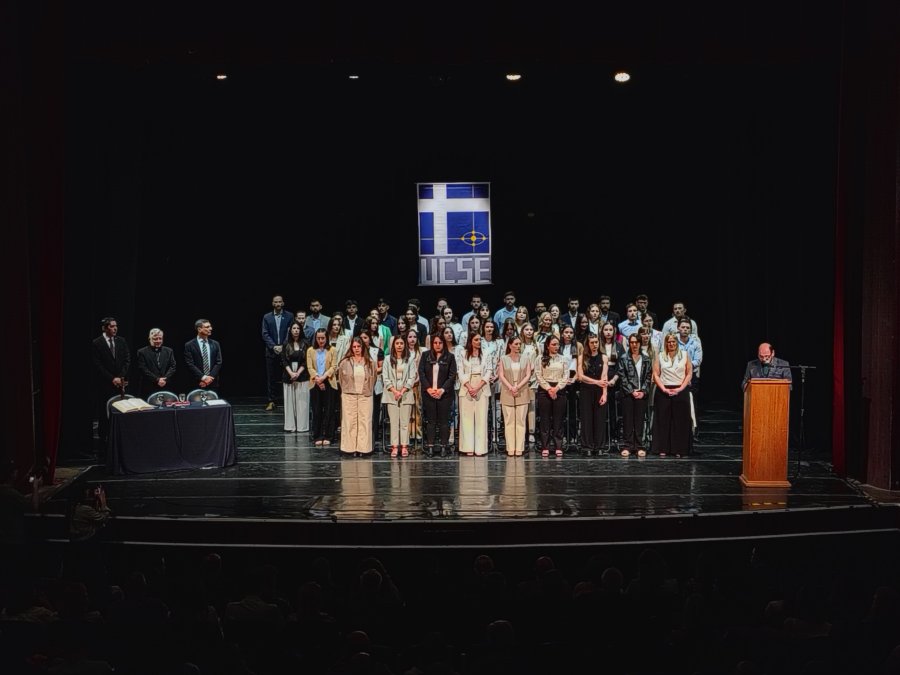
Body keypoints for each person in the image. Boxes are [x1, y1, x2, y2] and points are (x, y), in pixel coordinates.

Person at [652, 333, 693, 458]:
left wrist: (680, 388)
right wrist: (664, 389)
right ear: (666, 343)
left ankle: (679, 449)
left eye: (674, 341)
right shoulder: (660, 356)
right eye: (669, 342)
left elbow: (689, 373)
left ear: (677, 342)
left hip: (680, 390)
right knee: (663, 420)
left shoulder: (685, 355)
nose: (671, 344)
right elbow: (655, 374)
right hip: (664, 390)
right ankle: (662, 448)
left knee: (680, 421)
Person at [92, 317, 130, 448]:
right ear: (105, 328)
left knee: (120, 409)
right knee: (105, 412)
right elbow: (97, 365)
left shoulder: (121, 341)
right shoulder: (97, 343)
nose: (115, 328)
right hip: (105, 384)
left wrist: (120, 377)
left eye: (116, 326)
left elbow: (127, 360)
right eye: (112, 326)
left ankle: (119, 437)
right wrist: (112, 378)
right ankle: (103, 440)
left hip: (120, 383)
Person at [418, 333, 457, 457]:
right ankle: (430, 446)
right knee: (431, 421)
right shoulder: (425, 356)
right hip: (429, 393)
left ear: (443, 343)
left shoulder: (450, 357)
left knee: (444, 421)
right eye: (435, 343)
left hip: (444, 394)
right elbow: (421, 373)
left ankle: (444, 446)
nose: (437, 345)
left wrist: (442, 390)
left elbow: (452, 375)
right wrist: (428, 389)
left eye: (440, 342)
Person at [338, 337, 376, 457]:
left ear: (362, 347)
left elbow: (373, 378)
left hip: (365, 395)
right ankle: (349, 448)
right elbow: (341, 379)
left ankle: (363, 448)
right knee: (349, 421)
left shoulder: (370, 362)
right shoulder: (345, 362)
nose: (356, 349)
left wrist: (368, 389)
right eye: (354, 347)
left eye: (358, 346)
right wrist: (346, 391)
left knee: (365, 421)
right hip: (349, 395)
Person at [457, 333, 492, 456]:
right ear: (470, 341)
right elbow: (460, 371)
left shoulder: (486, 353)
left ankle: (480, 448)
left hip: (481, 386)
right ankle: (468, 447)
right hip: (467, 385)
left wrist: (477, 387)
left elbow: (489, 371)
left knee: (481, 417)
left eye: (480, 340)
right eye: (476, 340)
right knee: (467, 418)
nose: (479, 342)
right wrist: (469, 386)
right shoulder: (463, 353)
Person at [498, 337, 533, 457]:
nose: (518, 346)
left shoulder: (525, 358)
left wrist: (517, 386)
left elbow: (528, 375)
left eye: (520, 344)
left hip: (522, 391)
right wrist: (511, 387)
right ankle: (510, 448)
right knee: (509, 421)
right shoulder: (503, 359)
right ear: (510, 345)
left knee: (521, 421)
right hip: (507, 391)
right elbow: (501, 375)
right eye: (516, 344)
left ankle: (519, 448)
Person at [382, 336, 417, 458]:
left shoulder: (410, 359)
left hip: (405, 394)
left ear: (405, 345)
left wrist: (402, 391)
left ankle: (404, 446)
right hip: (391, 395)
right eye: (397, 343)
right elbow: (385, 377)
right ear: (393, 345)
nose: (399, 345)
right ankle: (395, 446)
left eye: (401, 343)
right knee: (394, 422)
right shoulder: (387, 359)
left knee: (404, 422)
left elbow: (412, 377)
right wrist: (394, 391)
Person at [536, 336, 569, 457]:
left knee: (558, 419)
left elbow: (566, 376)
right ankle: (545, 445)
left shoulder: (563, 359)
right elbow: (538, 375)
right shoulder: (540, 358)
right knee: (544, 419)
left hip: (559, 389)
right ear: (548, 345)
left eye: (558, 344)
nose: (556, 347)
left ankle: (558, 445)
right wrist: (549, 388)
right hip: (545, 389)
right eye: (554, 344)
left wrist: (556, 388)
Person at [619, 333, 652, 457]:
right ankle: (627, 445)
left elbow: (648, 376)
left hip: (641, 394)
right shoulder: (623, 358)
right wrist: (631, 391)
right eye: (632, 342)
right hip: (628, 394)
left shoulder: (646, 358)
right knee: (627, 420)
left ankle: (639, 445)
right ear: (629, 343)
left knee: (639, 420)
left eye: (636, 342)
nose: (634, 345)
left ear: (640, 343)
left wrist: (643, 391)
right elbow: (622, 377)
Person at [577, 334, 609, 456]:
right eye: (592, 343)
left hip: (599, 390)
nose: (594, 345)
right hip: (586, 390)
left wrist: (604, 394)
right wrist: (597, 382)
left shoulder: (604, 357)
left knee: (600, 419)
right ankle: (587, 446)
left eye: (596, 342)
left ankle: (599, 446)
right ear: (588, 344)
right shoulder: (582, 357)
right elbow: (581, 377)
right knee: (587, 418)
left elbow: (604, 377)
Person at [262, 295, 294, 411]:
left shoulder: (289, 316)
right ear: (273, 303)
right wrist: (274, 346)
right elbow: (265, 334)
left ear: (283, 303)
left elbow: (290, 332)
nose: (278, 304)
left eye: (280, 302)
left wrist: (283, 346)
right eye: (276, 302)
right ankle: (271, 401)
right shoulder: (267, 317)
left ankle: (288, 400)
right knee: (271, 377)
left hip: (285, 351)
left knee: (287, 375)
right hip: (271, 351)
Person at [307, 329, 337, 446]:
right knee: (317, 410)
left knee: (329, 410)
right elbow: (310, 367)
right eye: (318, 338)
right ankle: (317, 435)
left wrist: (323, 377)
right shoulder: (310, 350)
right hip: (315, 382)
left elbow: (334, 366)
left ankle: (329, 435)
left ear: (326, 338)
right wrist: (318, 379)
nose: (320, 341)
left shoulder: (332, 350)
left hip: (329, 382)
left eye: (323, 338)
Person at [282, 321, 309, 433]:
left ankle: (302, 426)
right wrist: (291, 373)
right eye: (294, 328)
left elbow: (306, 360)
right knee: (290, 402)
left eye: (298, 328)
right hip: (289, 373)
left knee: (302, 403)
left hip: (302, 374)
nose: (296, 330)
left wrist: (298, 373)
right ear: (290, 330)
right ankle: (290, 426)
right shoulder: (286, 344)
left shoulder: (305, 343)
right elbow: (284, 360)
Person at [135, 328, 176, 399]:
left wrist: (164, 379)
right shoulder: (142, 352)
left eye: (160, 338)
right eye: (155, 339)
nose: (158, 341)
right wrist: (157, 379)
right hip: (149, 386)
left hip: (165, 385)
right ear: (149, 339)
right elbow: (143, 368)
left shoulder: (169, 351)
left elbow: (173, 366)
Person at [184, 319, 222, 392]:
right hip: (197, 382)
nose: (210, 328)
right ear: (199, 329)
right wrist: (203, 378)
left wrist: (209, 378)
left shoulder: (215, 344)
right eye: (207, 327)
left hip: (213, 382)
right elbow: (190, 364)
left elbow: (218, 362)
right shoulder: (189, 345)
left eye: (210, 326)